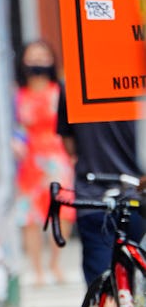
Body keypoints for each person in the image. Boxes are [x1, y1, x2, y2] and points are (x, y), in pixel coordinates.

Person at [57, 87, 145, 287]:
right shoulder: (136, 78)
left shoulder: (74, 82)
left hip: (93, 193)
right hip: (139, 192)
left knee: (103, 286)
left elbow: (68, 144)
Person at [12, 40, 75, 285]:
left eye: (42, 55)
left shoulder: (59, 91)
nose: (37, 61)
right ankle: (37, 269)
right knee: (29, 216)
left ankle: (55, 264)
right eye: (32, 56)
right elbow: (12, 127)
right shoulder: (17, 95)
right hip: (29, 159)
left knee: (63, 211)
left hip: (57, 156)